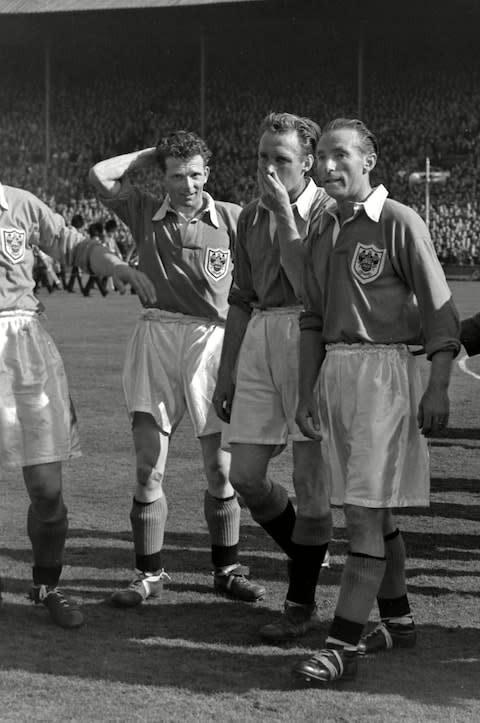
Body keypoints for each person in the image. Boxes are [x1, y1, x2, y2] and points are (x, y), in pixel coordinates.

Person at [290, 118, 460, 684]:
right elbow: (313, 316)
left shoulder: (397, 221)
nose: (328, 166)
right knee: (370, 508)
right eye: (321, 157)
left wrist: (437, 385)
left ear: (370, 161)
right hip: (336, 375)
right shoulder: (325, 227)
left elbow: (440, 312)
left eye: (341, 155)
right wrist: (307, 387)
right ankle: (399, 621)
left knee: (362, 511)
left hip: (385, 375)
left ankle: (342, 647)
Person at [88, 130, 265, 607]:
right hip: (157, 338)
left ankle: (227, 570)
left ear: (207, 174)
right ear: (162, 178)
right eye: (175, 175)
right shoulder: (145, 211)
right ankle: (148, 575)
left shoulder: (232, 217)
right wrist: (152, 153)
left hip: (213, 342)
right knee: (148, 467)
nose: (186, 184)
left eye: (193, 174)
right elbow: (100, 175)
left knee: (219, 467)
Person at [0, 179, 156, 628]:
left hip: (25, 348)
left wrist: (116, 267)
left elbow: (72, 244)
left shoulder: (21, 204)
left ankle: (47, 585)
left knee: (47, 490)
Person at [213, 112, 332, 642]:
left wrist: (286, 212)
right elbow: (241, 298)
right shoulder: (249, 216)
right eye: (262, 157)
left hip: (311, 339)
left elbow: (310, 282)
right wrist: (226, 373)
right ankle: (311, 555)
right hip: (261, 334)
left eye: (280, 159)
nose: (268, 168)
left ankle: (300, 604)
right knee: (244, 478)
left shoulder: (329, 212)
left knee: (311, 485)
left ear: (308, 163)